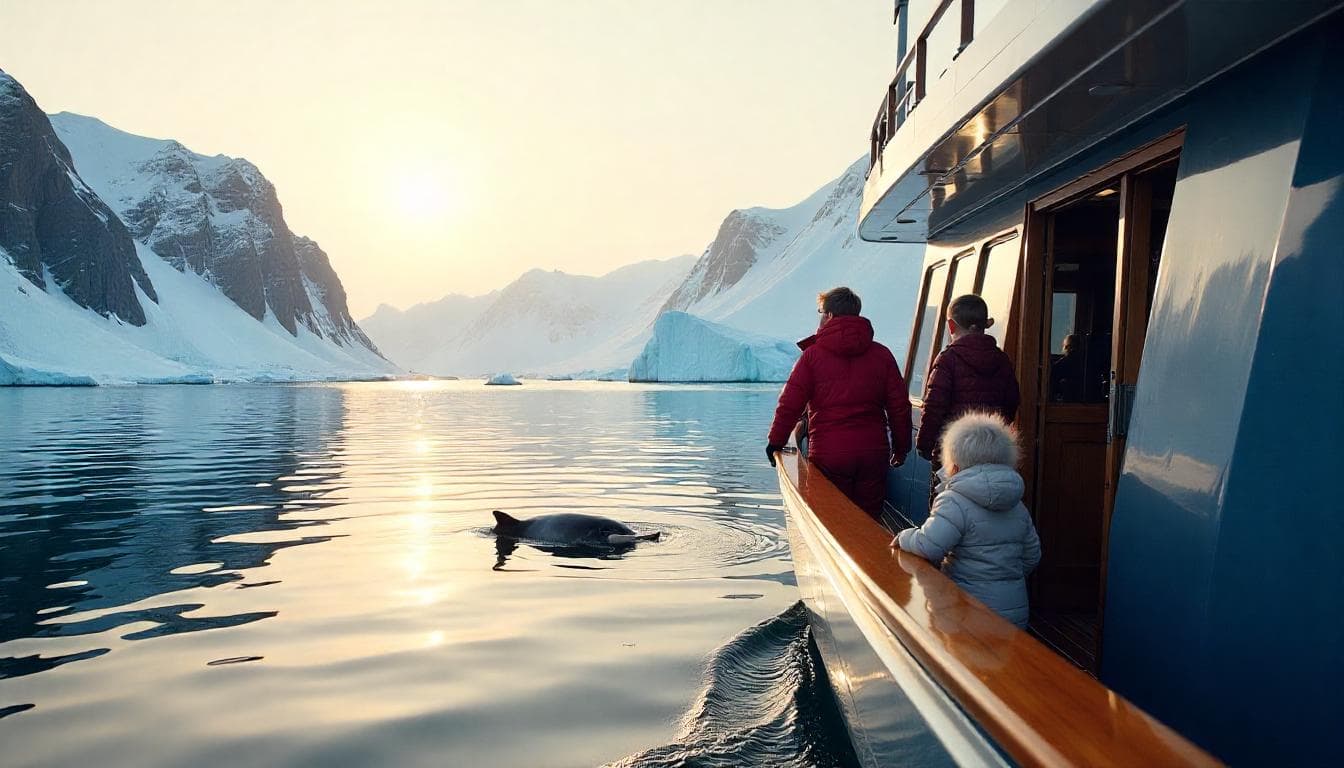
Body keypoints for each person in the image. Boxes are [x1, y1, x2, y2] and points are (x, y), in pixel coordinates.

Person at [766, 286, 912, 519]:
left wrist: (776, 441)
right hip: (873, 452)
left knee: (831, 519)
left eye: (821, 312)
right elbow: (899, 407)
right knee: (868, 520)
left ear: (830, 315)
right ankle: (867, 554)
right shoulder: (882, 355)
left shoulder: (812, 356)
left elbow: (790, 403)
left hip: (830, 454)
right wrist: (902, 447)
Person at [894, 412, 1041, 628]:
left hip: (966, 609)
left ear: (955, 463)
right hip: (1014, 615)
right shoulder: (1017, 505)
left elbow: (929, 545)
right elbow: (1032, 556)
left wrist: (905, 537)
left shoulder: (954, 501)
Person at [916, 294, 1019, 502]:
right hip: (992, 454)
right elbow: (1012, 401)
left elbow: (934, 406)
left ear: (951, 326)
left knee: (945, 506)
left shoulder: (947, 359)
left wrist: (925, 445)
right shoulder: (1001, 359)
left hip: (953, 454)